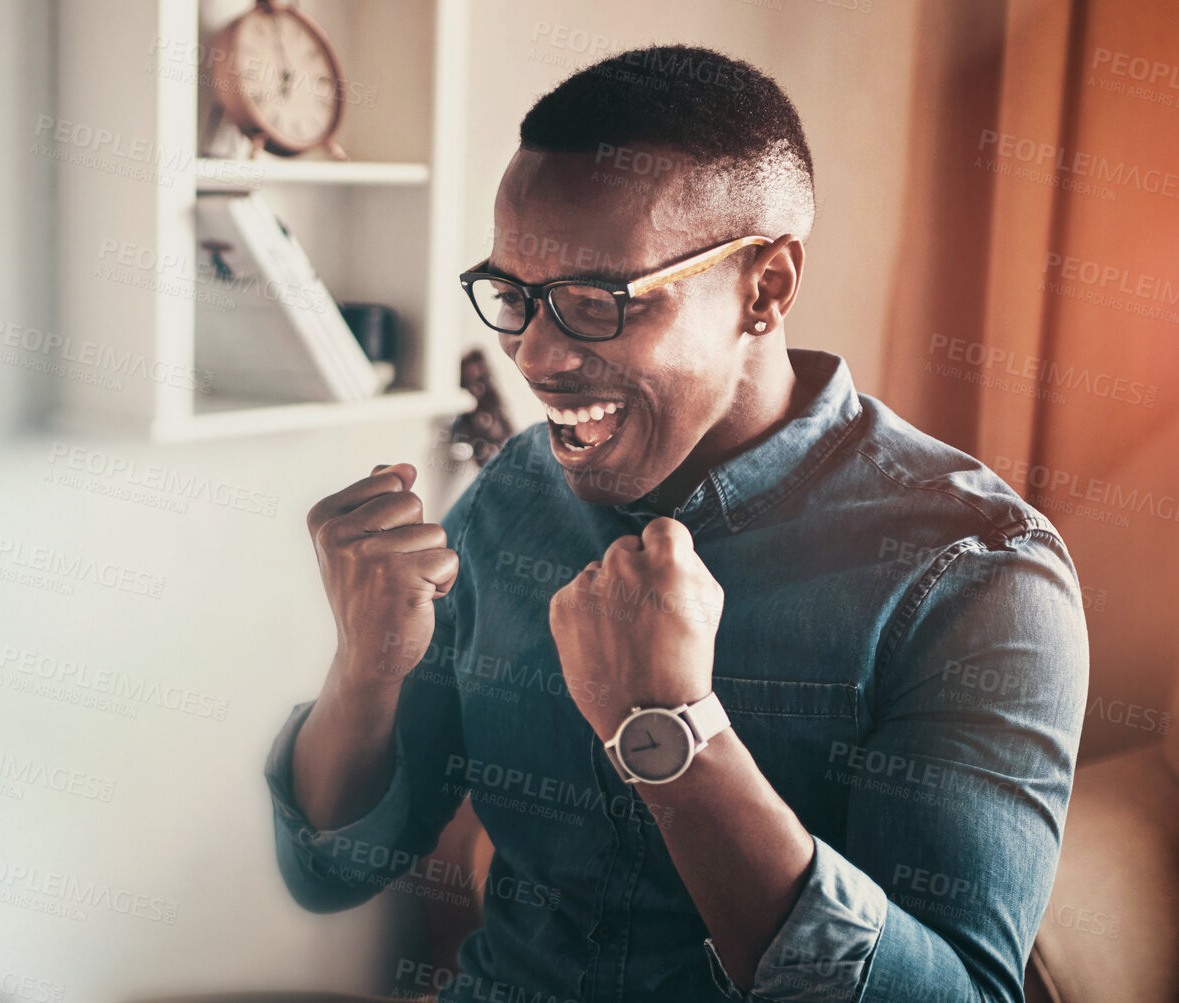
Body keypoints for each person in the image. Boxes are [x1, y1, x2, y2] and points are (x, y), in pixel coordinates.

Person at [266, 45, 1089, 1003]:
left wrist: (670, 734)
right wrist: (365, 666)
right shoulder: (515, 493)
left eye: (595, 301)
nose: (533, 353)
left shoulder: (975, 575)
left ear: (766, 287)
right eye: (514, 295)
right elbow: (332, 871)